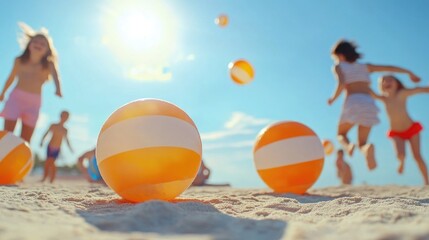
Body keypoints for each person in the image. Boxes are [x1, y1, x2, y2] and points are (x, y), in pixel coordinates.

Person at [328, 39, 420, 170]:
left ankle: (348, 146)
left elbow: (341, 83)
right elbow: (389, 68)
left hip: (353, 102)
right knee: (362, 143)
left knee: (341, 134)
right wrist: (409, 72)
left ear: (341, 55)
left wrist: (333, 98)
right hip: (369, 104)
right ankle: (366, 148)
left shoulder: (339, 66)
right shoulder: (365, 67)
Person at [0, 22, 62, 143]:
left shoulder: (49, 64)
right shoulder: (19, 61)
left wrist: (58, 89)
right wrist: (2, 93)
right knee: (7, 136)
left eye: (43, 44)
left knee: (25, 140)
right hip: (15, 98)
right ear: (29, 44)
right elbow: (11, 77)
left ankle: (21, 161)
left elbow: (56, 76)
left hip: (34, 103)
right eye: (36, 41)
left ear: (47, 50)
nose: (38, 44)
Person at [370, 75, 429, 185]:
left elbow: (419, 90)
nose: (387, 82)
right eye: (384, 81)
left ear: (397, 83)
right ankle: (401, 162)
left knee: (417, 156)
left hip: (411, 129)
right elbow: (370, 93)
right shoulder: (384, 98)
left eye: (390, 80)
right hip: (396, 132)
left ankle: (427, 181)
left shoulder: (402, 94)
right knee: (400, 154)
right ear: (381, 86)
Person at [40, 111, 73, 183]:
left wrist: (70, 148)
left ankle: (52, 179)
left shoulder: (65, 130)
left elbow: (67, 140)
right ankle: (44, 177)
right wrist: (42, 141)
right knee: (47, 162)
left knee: (52, 162)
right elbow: (46, 133)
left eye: (66, 117)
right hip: (50, 146)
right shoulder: (53, 125)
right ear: (60, 116)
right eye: (63, 116)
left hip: (57, 148)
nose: (64, 118)